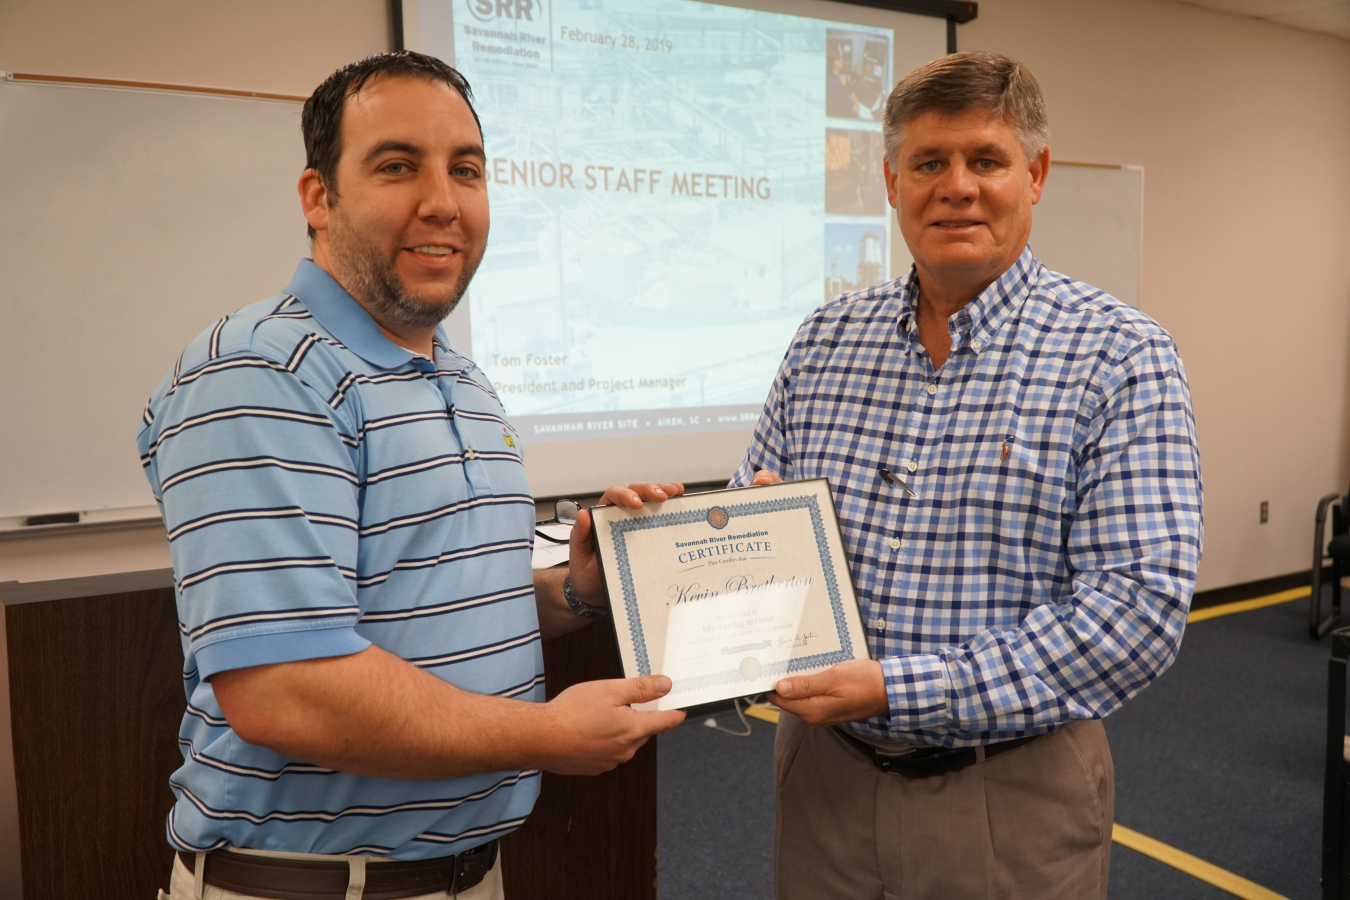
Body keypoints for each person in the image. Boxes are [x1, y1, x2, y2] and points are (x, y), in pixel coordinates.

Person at [137, 51, 684, 900]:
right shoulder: (260, 374)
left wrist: (574, 591)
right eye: (398, 166)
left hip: (464, 876)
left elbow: (424, 607)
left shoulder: (460, 378)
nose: (443, 202)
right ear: (319, 198)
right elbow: (290, 693)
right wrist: (543, 735)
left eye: (466, 170)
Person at [737, 51, 1201, 898]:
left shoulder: (1121, 356)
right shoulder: (824, 340)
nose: (956, 186)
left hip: (1010, 794)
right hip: (823, 781)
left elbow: (1139, 609)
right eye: (928, 163)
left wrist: (901, 687)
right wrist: (681, 543)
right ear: (889, 181)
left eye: (985, 160)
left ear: (1036, 174)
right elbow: (748, 519)